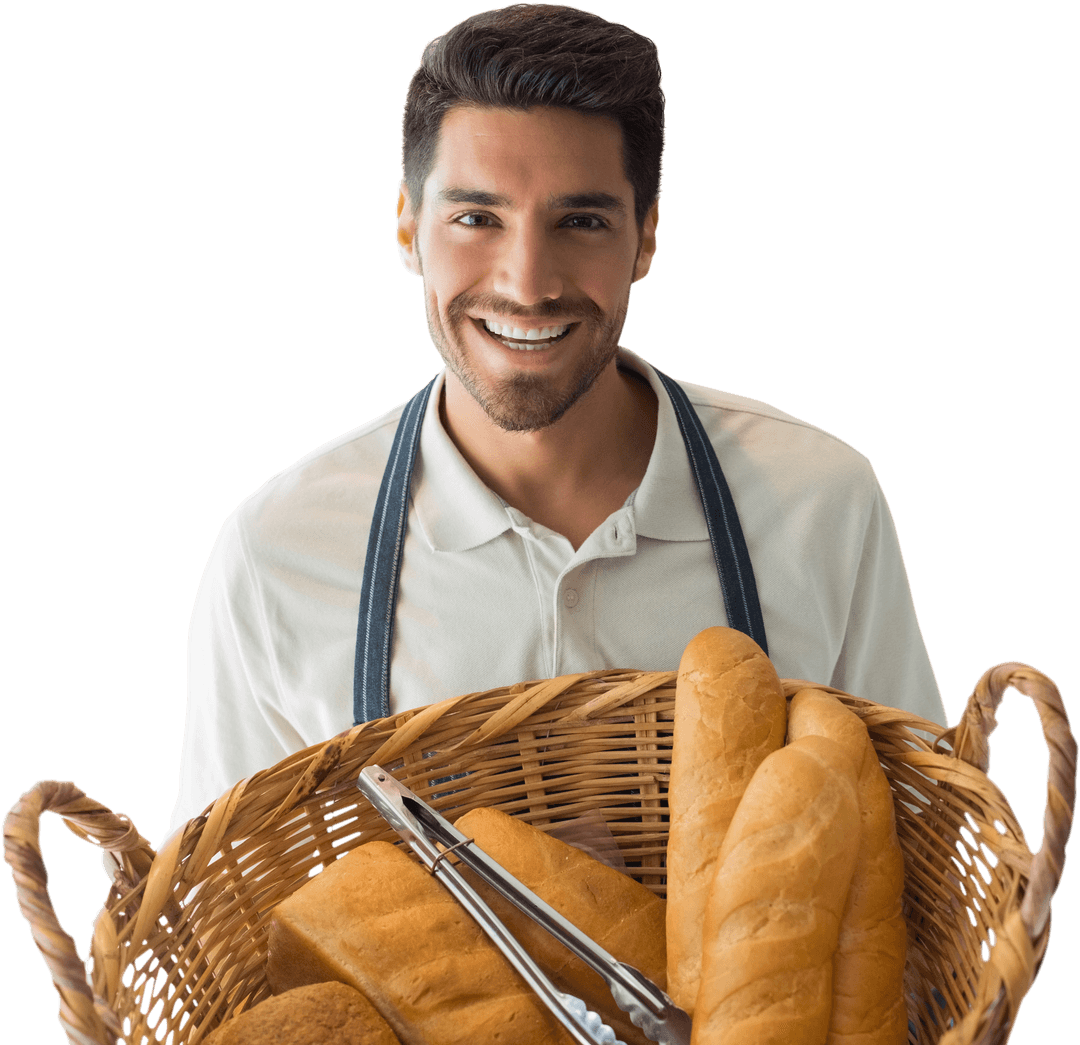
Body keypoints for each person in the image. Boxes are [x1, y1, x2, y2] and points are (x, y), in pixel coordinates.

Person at [169, 4, 948, 831]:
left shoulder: (821, 503)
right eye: (477, 218)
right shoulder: (275, 556)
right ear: (406, 226)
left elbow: (928, 852)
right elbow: (222, 917)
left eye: (582, 222)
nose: (528, 282)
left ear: (646, 237)